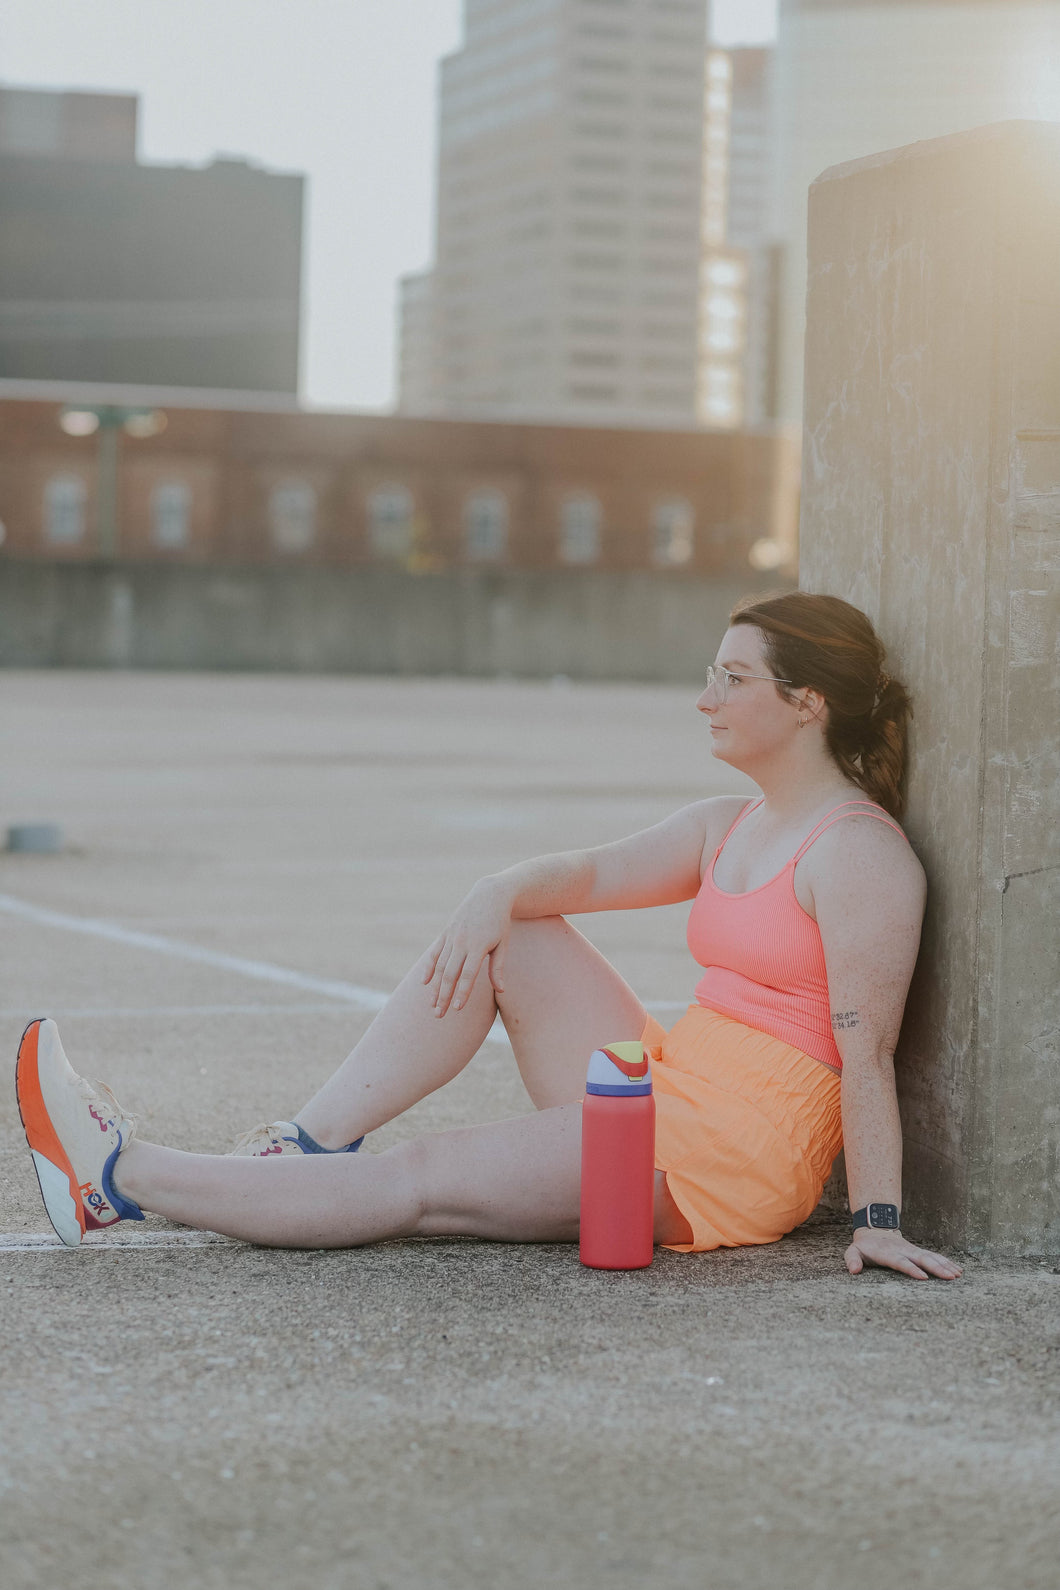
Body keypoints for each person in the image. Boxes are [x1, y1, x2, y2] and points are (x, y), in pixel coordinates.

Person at [16, 592, 962, 1280]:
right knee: (519, 932)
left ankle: (116, 1175)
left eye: (733, 678)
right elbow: (589, 874)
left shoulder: (862, 858)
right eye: (710, 673)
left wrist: (877, 1219)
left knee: (425, 1179)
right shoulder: (731, 821)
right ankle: (309, 1145)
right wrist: (495, 888)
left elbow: (866, 1053)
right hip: (674, 1077)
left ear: (809, 704)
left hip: (731, 1152)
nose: (705, 696)